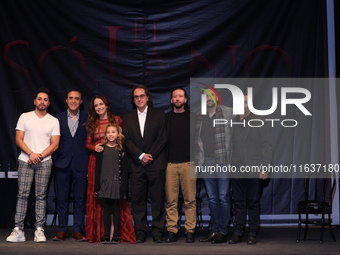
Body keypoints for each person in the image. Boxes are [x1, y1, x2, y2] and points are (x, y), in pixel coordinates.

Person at [6, 87, 60, 243]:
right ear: (34, 101)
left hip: (45, 162)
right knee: (22, 195)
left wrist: (40, 156)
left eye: (45, 99)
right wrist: (31, 154)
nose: (42, 102)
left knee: (41, 196)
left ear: (48, 103)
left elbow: (55, 144)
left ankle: (39, 229)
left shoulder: (53, 120)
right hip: (25, 160)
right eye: (39, 99)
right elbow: (18, 139)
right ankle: (18, 230)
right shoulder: (25, 117)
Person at [85, 95, 135, 243]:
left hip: (114, 161)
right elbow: (87, 144)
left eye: (101, 104)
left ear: (106, 105)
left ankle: (116, 232)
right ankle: (101, 232)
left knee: (116, 202)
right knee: (101, 199)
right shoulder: (92, 123)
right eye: (96, 105)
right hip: (97, 161)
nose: (99, 107)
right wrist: (95, 147)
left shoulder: (117, 120)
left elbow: (123, 139)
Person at [122, 85, 167, 243]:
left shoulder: (159, 114)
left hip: (156, 164)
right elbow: (126, 140)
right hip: (136, 165)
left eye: (141, 96)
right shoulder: (127, 117)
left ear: (148, 97)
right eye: (136, 97)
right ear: (133, 100)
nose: (139, 99)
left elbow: (162, 138)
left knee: (157, 199)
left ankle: (157, 231)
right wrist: (140, 155)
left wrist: (150, 155)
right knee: (137, 200)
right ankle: (140, 231)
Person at [228, 94, 272, 245]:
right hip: (236, 167)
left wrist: (265, 167)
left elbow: (267, 145)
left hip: (255, 167)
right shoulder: (233, 122)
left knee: (253, 202)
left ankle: (252, 233)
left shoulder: (260, 120)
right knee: (238, 202)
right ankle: (238, 232)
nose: (243, 104)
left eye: (245, 102)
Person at [196, 88, 232, 244]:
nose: (208, 99)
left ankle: (223, 232)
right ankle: (215, 230)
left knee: (223, 198)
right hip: (206, 162)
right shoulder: (199, 117)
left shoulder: (228, 113)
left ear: (216, 98)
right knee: (212, 199)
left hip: (223, 160)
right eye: (205, 97)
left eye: (211, 96)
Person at [52, 90, 89, 242]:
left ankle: (77, 230)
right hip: (62, 163)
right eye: (71, 98)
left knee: (80, 199)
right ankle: (62, 230)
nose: (74, 101)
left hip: (81, 163)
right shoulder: (56, 118)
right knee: (62, 198)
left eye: (77, 99)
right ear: (66, 100)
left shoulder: (88, 118)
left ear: (81, 102)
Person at [164, 87, 196, 243]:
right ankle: (172, 230)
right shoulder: (165, 119)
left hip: (189, 164)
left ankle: (190, 230)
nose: (177, 99)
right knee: (171, 201)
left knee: (190, 200)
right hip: (170, 165)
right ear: (171, 100)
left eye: (180, 96)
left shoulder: (194, 118)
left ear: (185, 100)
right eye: (175, 96)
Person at [94, 124, 128, 244]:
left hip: (116, 182)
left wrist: (123, 186)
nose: (111, 135)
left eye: (113, 132)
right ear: (105, 134)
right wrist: (97, 186)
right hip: (104, 182)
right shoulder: (101, 149)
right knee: (106, 209)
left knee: (116, 208)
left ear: (118, 134)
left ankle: (116, 235)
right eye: (108, 132)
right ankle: (107, 234)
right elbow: (98, 168)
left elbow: (124, 170)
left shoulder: (122, 150)